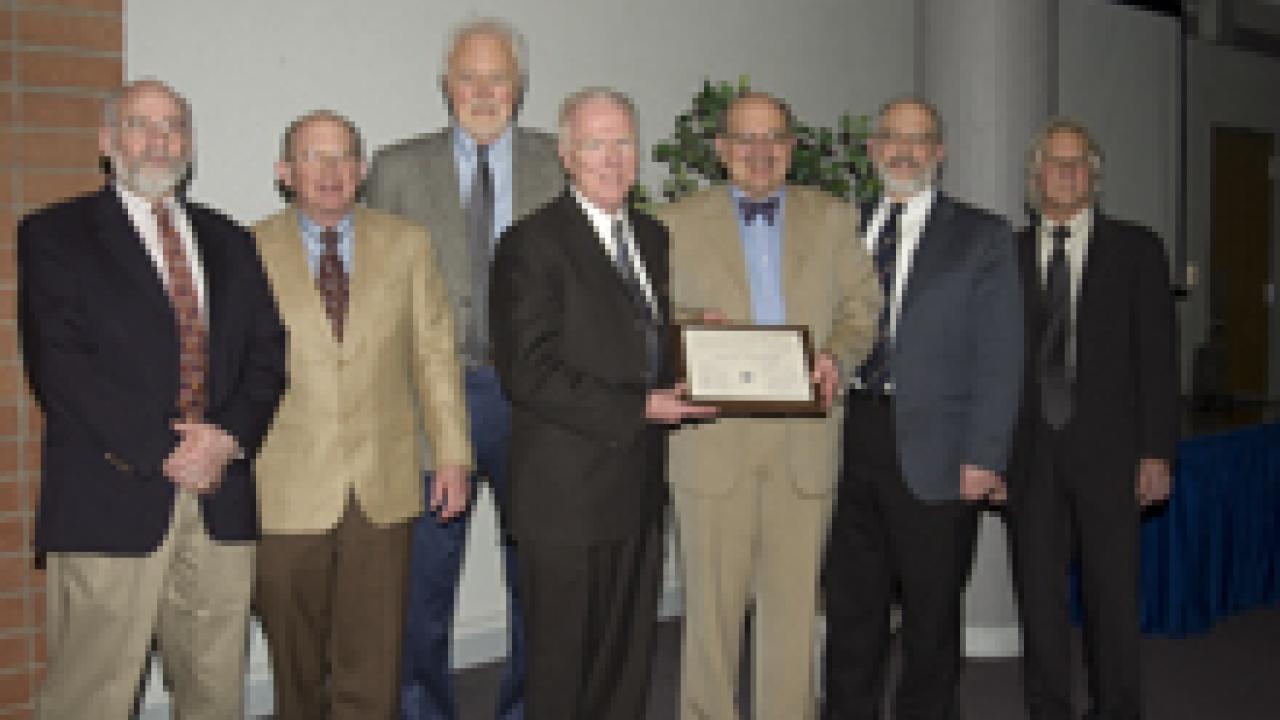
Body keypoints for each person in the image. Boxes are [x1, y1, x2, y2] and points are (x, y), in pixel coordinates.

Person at [18, 78, 287, 720]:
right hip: (111, 496)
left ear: (190, 144)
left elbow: (267, 357)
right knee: (92, 697)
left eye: (173, 127)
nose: (158, 141)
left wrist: (225, 440)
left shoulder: (230, 239)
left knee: (214, 692)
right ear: (108, 141)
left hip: (220, 498)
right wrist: (170, 451)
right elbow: (60, 366)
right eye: (141, 125)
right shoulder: (55, 234)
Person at [655, 91, 881, 720]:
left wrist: (837, 355)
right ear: (722, 150)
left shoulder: (834, 218)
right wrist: (696, 324)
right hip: (710, 444)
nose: (760, 152)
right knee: (710, 617)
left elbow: (862, 309)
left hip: (802, 444)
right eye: (745, 140)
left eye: (773, 139)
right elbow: (649, 317)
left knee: (793, 613)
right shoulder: (673, 222)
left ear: (792, 147)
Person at [490, 87, 713, 720]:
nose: (611, 159)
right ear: (566, 154)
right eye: (594, 144)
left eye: (623, 143)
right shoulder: (530, 244)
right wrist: (641, 406)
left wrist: (700, 346)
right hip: (564, 497)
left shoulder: (651, 235)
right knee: (563, 673)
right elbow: (529, 373)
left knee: (627, 660)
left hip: (637, 486)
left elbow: (633, 334)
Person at [364, 19, 563, 718]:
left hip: (534, 404)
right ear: (446, 85)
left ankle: (524, 710)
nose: (483, 91)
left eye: (498, 77)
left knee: (536, 575)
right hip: (430, 402)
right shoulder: (393, 169)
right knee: (421, 584)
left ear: (521, 86)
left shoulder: (559, 162)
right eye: (469, 77)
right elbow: (370, 290)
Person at [252, 110, 473, 719]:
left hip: (384, 483)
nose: (330, 171)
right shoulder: (247, 250)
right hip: (287, 489)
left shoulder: (408, 243)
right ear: (284, 172)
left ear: (363, 169)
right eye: (313, 157)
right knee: (295, 668)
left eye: (344, 156)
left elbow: (434, 356)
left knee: (373, 664)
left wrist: (452, 455)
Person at [821, 97, 1023, 720]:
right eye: (891, 137)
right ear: (873, 148)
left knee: (932, 624)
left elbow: (1001, 355)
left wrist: (985, 456)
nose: (903, 150)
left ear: (939, 152)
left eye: (919, 139)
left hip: (939, 454)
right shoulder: (842, 227)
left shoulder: (982, 236)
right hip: (850, 441)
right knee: (852, 613)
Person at [1005, 118, 1177, 720]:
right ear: (1035, 176)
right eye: (1056, 161)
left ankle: (1118, 710)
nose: (1068, 172)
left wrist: (1157, 452)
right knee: (1039, 603)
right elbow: (995, 364)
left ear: (1094, 178)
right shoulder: (1007, 253)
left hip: (1112, 453)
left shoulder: (1137, 250)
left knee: (1112, 598)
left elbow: (1157, 360)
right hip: (1029, 457)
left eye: (1080, 163)